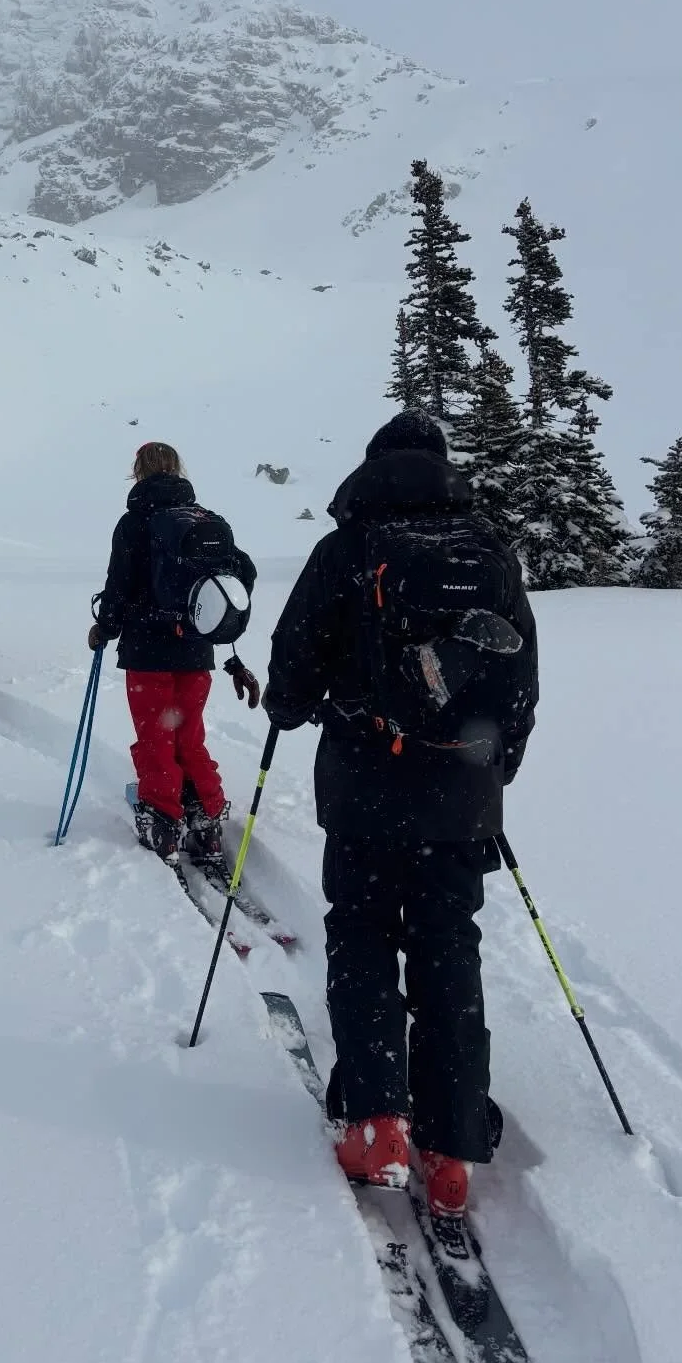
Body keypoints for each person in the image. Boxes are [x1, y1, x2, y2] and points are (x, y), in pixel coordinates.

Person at [264, 409, 538, 1219]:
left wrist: (290, 707)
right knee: (450, 948)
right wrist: (494, 767)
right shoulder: (488, 553)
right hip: (461, 796)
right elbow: (519, 680)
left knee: (362, 936)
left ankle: (379, 1120)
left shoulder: (348, 548)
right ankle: (453, 1145)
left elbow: (292, 665)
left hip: (365, 787)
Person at [89, 442, 261, 864]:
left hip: (147, 651)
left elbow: (119, 585)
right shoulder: (207, 520)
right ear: (177, 470)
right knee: (188, 733)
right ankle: (206, 814)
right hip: (196, 649)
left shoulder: (134, 523)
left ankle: (163, 818)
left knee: (156, 737)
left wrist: (105, 628)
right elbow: (243, 574)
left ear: (138, 472)